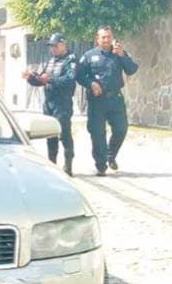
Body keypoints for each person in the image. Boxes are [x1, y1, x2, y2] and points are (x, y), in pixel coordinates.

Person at [75, 25, 139, 176]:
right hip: (97, 100)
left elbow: (132, 69)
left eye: (109, 37)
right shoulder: (89, 56)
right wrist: (91, 83)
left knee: (121, 129)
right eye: (103, 37)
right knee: (97, 133)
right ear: (97, 39)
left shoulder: (119, 53)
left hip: (115, 98)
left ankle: (111, 155)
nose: (106, 40)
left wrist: (122, 56)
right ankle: (101, 165)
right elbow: (79, 75)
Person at [23, 33, 78, 175]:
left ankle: (68, 166)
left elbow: (70, 80)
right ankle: (52, 165)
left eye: (55, 46)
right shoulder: (51, 61)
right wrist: (31, 78)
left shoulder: (70, 60)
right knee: (50, 135)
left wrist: (50, 79)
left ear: (63, 45)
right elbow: (42, 79)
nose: (52, 49)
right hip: (49, 103)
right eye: (51, 46)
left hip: (62, 103)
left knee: (64, 134)